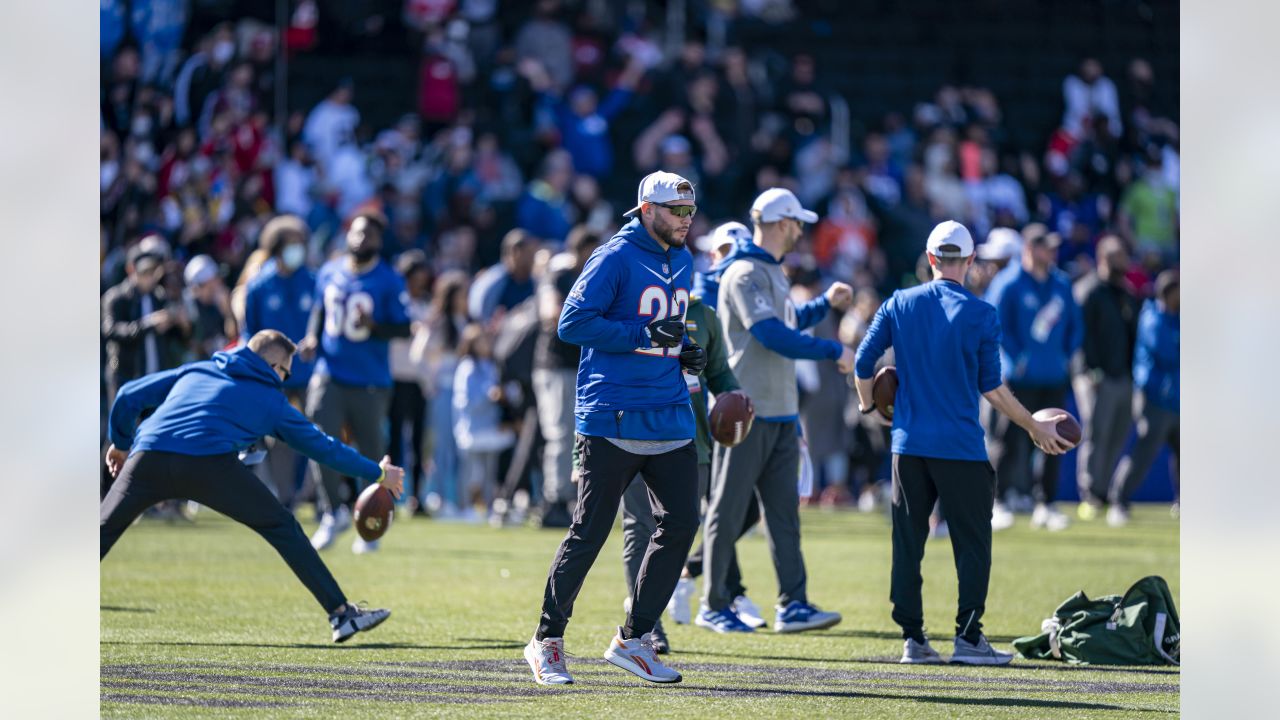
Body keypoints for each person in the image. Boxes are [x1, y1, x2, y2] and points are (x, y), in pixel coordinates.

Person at [853, 220, 1072, 665]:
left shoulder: (899, 302)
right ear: (970, 262)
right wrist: (1032, 425)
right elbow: (992, 389)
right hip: (961, 448)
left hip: (908, 446)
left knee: (907, 546)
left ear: (930, 260)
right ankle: (969, 639)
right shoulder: (981, 313)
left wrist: (869, 407)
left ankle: (913, 641)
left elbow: (862, 362)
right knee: (972, 546)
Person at [101, 330, 404, 642]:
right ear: (273, 367)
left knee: (101, 530)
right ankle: (341, 613)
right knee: (283, 527)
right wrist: (378, 474)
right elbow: (324, 447)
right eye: (285, 372)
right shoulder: (271, 400)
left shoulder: (199, 369)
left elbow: (126, 395)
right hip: (209, 465)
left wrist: (121, 442)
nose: (285, 379)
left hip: (148, 455)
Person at [524, 171, 703, 686]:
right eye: (676, 211)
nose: (686, 220)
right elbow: (572, 323)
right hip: (612, 414)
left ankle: (634, 638)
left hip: (669, 411)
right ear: (647, 209)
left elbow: (667, 330)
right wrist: (643, 334)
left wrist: (680, 350)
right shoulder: (613, 256)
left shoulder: (684, 258)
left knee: (680, 525)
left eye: (690, 211)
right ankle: (546, 640)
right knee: (589, 532)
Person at [698, 188, 853, 635]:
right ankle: (714, 603)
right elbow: (769, 334)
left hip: (780, 412)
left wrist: (824, 305)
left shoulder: (767, 271)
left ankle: (794, 603)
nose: (801, 232)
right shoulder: (745, 272)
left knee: (784, 514)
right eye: (797, 223)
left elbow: (784, 324)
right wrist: (831, 349)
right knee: (725, 512)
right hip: (745, 413)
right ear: (783, 223)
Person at [620, 273, 747, 654]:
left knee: (681, 529)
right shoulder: (631, 308)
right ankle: (647, 625)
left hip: (692, 441)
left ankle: (655, 598)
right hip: (635, 434)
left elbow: (720, 373)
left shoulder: (705, 315)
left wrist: (739, 401)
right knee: (638, 527)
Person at [300, 212, 411, 553]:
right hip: (329, 372)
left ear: (379, 242)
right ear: (349, 234)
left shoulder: (389, 280)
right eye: (359, 233)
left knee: (372, 453)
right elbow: (320, 310)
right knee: (319, 440)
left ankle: (370, 523)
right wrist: (311, 337)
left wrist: (375, 325)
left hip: (369, 379)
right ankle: (332, 511)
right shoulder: (330, 270)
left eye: (371, 235)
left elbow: (404, 328)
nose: (363, 240)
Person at [984, 224, 1083, 531]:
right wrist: (1018, 358)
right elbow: (995, 323)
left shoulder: (1061, 283)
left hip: (1053, 375)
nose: (1052, 253)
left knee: (1057, 438)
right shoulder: (1008, 282)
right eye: (1045, 246)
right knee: (1007, 439)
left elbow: (1075, 325)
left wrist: (1066, 355)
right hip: (1017, 378)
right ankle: (997, 502)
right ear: (1029, 248)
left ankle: (1046, 504)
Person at [242, 215, 317, 506]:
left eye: (301, 244)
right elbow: (250, 332)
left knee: (315, 436)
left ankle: (314, 496)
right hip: (274, 378)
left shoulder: (313, 281)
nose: (297, 250)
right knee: (277, 439)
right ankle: (285, 498)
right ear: (276, 247)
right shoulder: (259, 286)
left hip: (309, 375)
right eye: (291, 245)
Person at [532, 227, 603, 527]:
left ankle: (576, 496)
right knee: (560, 434)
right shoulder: (560, 276)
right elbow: (552, 312)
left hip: (582, 365)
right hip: (556, 364)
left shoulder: (595, 278)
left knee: (580, 433)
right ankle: (554, 499)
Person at [1072, 236, 1140, 518]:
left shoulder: (1126, 293)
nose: (1123, 263)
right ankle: (1090, 493)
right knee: (1096, 433)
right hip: (1095, 376)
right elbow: (1079, 336)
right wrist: (1089, 370)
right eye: (1117, 257)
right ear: (1103, 259)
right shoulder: (1088, 291)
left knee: (1117, 435)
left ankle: (1104, 489)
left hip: (1124, 375)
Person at [1108, 270, 1179, 526]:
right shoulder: (1154, 319)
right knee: (1143, 453)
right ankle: (1118, 500)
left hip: (1180, 401)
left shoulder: (1179, 318)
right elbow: (1169, 354)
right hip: (1156, 401)